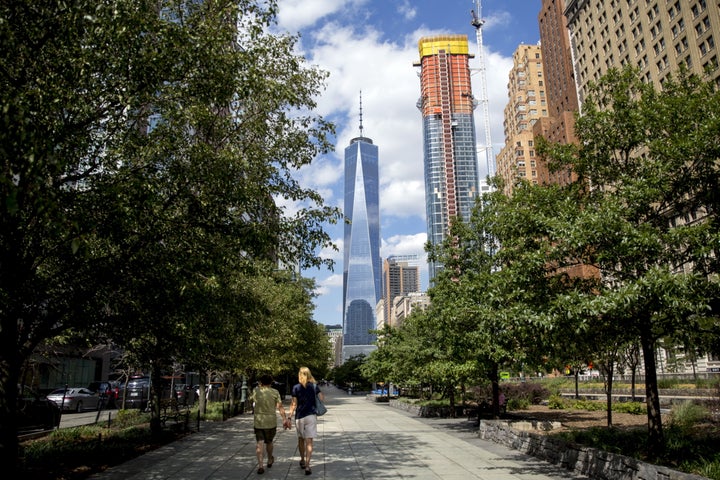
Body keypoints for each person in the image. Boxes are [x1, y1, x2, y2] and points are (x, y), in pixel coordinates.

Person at [288, 366, 324, 475]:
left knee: (301, 439)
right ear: (309, 374)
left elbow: (294, 404)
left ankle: (302, 460)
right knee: (309, 441)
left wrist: (289, 416)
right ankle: (308, 466)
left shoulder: (296, 387)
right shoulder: (314, 386)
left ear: (300, 375)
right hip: (311, 416)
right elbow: (322, 398)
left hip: (300, 416)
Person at [250, 374, 288, 475]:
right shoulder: (275, 392)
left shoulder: (256, 391)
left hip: (259, 421)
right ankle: (270, 458)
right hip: (271, 421)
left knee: (259, 443)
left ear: (260, 382)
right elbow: (280, 407)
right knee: (269, 442)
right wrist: (284, 419)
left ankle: (260, 465)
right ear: (271, 382)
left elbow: (253, 400)